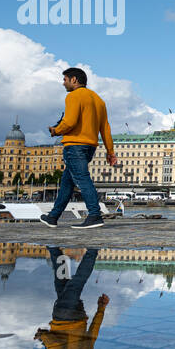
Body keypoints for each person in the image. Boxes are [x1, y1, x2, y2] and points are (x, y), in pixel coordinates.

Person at [40, 67, 117, 229]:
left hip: (75, 145)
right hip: (90, 146)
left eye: (65, 80)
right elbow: (105, 128)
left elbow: (70, 122)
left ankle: (94, 215)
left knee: (82, 179)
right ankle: (53, 217)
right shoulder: (98, 100)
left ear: (74, 79)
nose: (63, 83)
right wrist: (110, 151)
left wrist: (56, 131)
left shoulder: (73, 96)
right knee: (67, 182)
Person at [36, 247, 106, 349]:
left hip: (78, 316)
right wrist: (42, 336)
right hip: (63, 316)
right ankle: (92, 251)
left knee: (62, 280)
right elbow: (55, 344)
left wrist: (101, 309)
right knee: (76, 282)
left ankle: (55, 250)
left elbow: (93, 335)